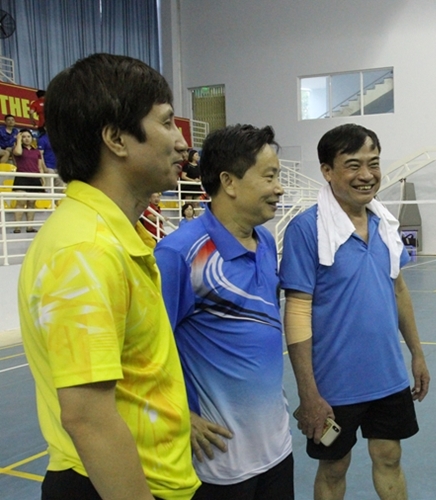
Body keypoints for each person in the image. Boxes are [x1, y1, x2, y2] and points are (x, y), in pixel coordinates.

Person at [17, 53, 199, 500]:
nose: (182, 143)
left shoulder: (113, 236)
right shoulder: (86, 251)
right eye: (166, 122)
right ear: (116, 139)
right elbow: (88, 418)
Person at [279, 123, 430, 500]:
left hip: (387, 376)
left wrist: (417, 353)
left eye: (373, 163)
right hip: (334, 383)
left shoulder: (385, 225)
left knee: (390, 456)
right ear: (327, 171)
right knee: (334, 466)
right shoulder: (306, 229)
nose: (367, 174)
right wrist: (308, 393)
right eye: (353, 165)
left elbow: (398, 289)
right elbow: (297, 311)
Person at [155, 124, 293, 499]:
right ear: (229, 182)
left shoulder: (266, 241)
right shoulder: (178, 254)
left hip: (277, 448)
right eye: (269, 176)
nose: (279, 188)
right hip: (219, 464)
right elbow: (145, 352)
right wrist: (180, 414)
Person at [11, 129, 45, 233]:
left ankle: (29, 227)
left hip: (34, 178)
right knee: (20, 202)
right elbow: (18, 152)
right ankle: (17, 227)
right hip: (21, 178)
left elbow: (40, 167)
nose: (26, 139)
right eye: (24, 137)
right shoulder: (17, 148)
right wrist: (18, 140)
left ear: (32, 138)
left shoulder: (36, 151)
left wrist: (42, 179)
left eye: (28, 136)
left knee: (31, 203)